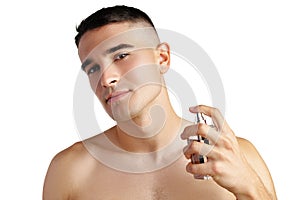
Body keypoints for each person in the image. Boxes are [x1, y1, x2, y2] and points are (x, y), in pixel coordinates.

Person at [43, 5, 277, 199]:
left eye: (121, 56)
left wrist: (250, 188)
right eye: (92, 68)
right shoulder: (70, 170)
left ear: (162, 58)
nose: (106, 78)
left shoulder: (237, 155)